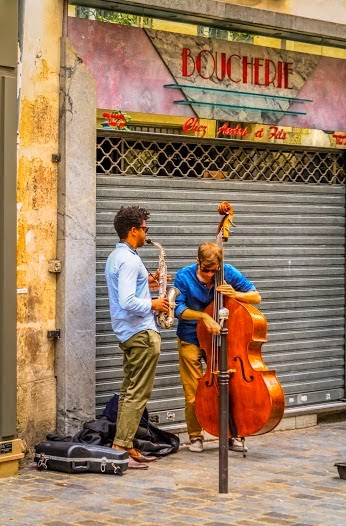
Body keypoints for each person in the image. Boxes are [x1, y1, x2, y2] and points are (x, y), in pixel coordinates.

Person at [174, 242, 261, 453]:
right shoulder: (184, 276)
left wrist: (235, 294)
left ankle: (235, 433)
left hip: (223, 340)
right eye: (206, 270)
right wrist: (203, 316)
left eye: (214, 271)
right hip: (191, 337)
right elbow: (178, 308)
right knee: (193, 391)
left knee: (231, 387)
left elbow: (256, 296)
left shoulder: (227, 272)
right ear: (198, 262)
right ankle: (196, 436)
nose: (210, 275)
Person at [105, 205, 169, 470]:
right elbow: (127, 300)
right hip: (141, 333)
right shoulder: (130, 260)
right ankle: (121, 447)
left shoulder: (117, 256)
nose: (147, 234)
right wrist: (154, 304)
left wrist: (149, 284)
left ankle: (125, 443)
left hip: (130, 332)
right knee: (137, 394)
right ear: (133, 231)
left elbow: (130, 293)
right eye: (145, 229)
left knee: (128, 391)